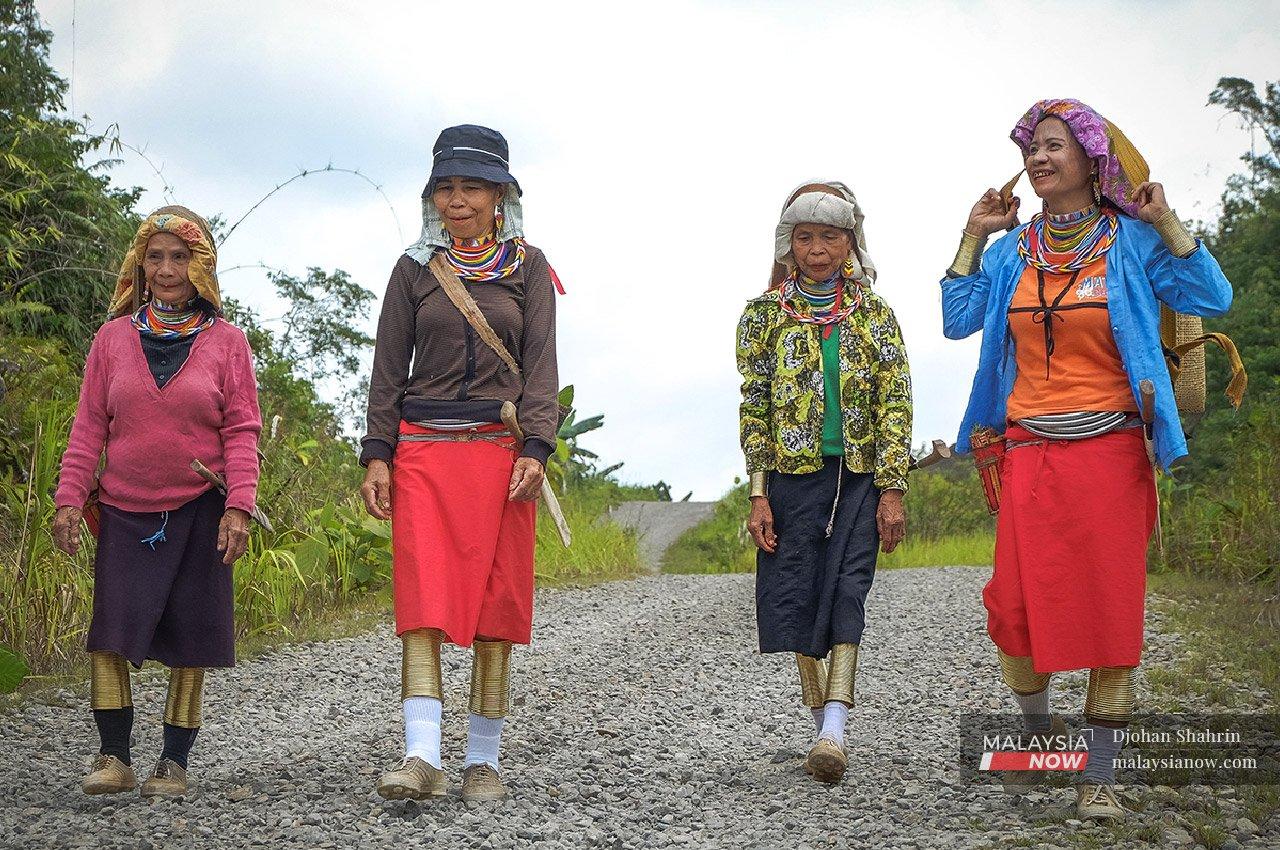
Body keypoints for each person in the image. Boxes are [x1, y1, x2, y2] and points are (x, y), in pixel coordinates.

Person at [940, 99, 1233, 820]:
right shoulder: (1015, 252)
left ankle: (1097, 775)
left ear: (1091, 159)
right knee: (1011, 608)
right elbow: (956, 319)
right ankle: (1042, 738)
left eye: (1054, 147)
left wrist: (1164, 219)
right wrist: (973, 238)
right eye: (1031, 148)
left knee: (1109, 611)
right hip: (1026, 453)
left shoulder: (1129, 243)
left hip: (1110, 453)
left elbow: (1211, 294)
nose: (1038, 159)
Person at [360, 125, 560, 803]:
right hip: (423, 454)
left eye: (471, 186)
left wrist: (536, 446)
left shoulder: (528, 269)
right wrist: (377, 455)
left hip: (502, 459)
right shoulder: (413, 269)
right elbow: (387, 370)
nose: (457, 199)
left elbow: (540, 368)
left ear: (499, 192)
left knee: (495, 604)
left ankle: (483, 760)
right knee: (423, 601)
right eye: (445, 186)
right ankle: (421, 756)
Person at [52, 206, 262, 798]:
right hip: (123, 508)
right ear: (139, 266)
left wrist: (238, 506)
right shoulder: (112, 339)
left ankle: (173, 761)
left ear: (202, 266)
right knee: (111, 630)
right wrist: (70, 499)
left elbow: (242, 430)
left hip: (199, 508)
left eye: (180, 257)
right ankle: (112, 756)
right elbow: (89, 426)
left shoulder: (227, 343)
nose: (167, 269)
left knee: (191, 635)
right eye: (155, 257)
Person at [735, 180, 911, 784]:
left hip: (860, 475)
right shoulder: (762, 317)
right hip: (792, 477)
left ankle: (835, 726)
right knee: (799, 589)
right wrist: (757, 492)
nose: (817, 249)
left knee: (848, 587)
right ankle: (819, 726)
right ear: (788, 243)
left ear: (850, 243)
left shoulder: (875, 315)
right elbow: (754, 405)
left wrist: (892, 488)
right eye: (805, 236)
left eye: (830, 236)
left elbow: (895, 402)